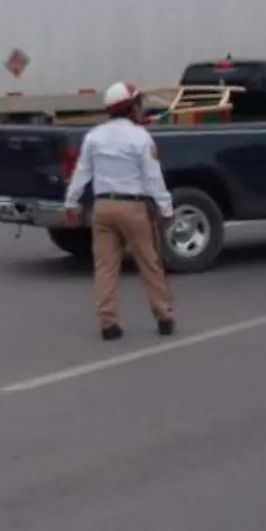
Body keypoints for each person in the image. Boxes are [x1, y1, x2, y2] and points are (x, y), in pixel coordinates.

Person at [63, 81, 177, 341]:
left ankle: (108, 323)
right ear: (131, 107)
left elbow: (81, 173)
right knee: (149, 263)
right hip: (133, 208)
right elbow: (153, 178)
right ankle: (163, 315)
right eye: (139, 104)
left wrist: (71, 203)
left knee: (105, 267)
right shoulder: (140, 137)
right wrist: (166, 208)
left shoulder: (94, 136)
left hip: (102, 207)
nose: (142, 108)